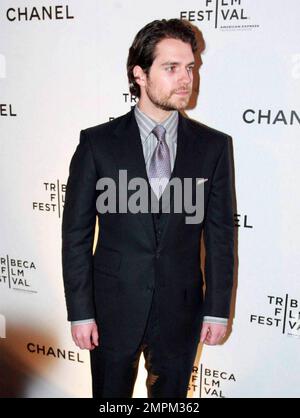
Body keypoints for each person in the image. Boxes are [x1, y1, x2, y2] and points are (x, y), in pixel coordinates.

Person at [62, 18, 234, 398]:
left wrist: (217, 309)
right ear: (139, 74)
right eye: (171, 68)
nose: (185, 78)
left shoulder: (213, 147)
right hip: (111, 309)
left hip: (181, 310)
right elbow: (75, 235)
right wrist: (81, 311)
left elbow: (221, 236)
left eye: (189, 67)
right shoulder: (97, 144)